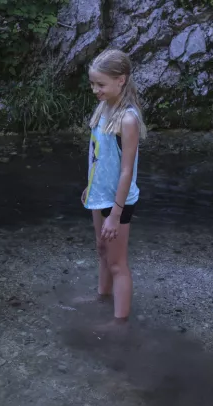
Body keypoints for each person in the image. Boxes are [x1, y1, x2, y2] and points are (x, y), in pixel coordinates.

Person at [79, 48, 148, 326]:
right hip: (100, 194)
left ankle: (120, 323)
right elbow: (99, 155)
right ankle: (102, 297)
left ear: (121, 80)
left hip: (118, 201)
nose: (95, 89)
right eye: (93, 84)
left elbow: (126, 170)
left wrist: (116, 215)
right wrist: (90, 185)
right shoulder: (104, 107)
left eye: (101, 84)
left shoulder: (127, 119)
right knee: (101, 250)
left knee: (117, 262)